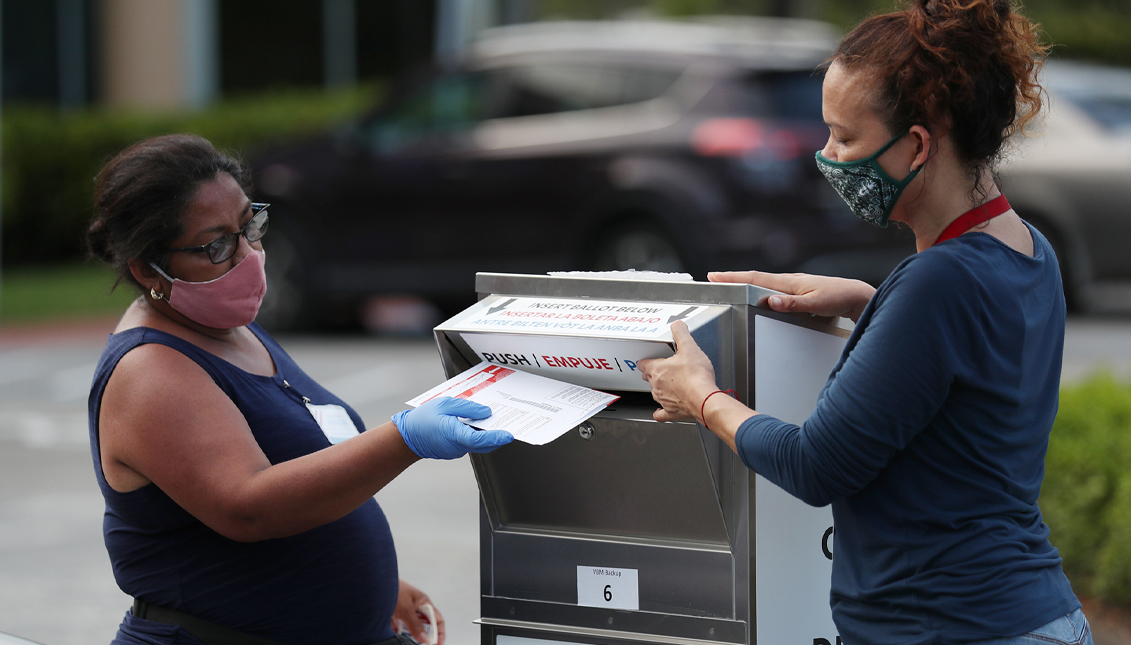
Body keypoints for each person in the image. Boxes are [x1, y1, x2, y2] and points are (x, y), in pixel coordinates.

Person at [638, 0, 1094, 643]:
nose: (828, 157)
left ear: (916, 145)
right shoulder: (1028, 250)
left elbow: (817, 465)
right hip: (1034, 614)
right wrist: (869, 301)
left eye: (845, 138)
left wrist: (702, 397)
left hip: (953, 626)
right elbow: (968, 370)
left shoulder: (937, 285)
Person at [86, 134, 513, 645]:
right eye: (216, 245)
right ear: (148, 269)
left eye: (250, 226)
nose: (248, 255)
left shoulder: (231, 329)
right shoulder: (149, 371)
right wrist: (403, 440)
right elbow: (249, 505)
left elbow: (301, 464)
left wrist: (370, 585)